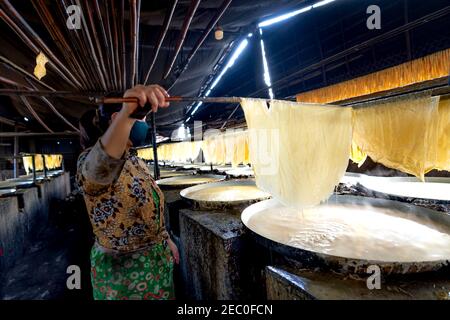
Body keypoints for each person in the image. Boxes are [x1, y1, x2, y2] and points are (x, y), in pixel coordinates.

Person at [76, 85, 179, 300]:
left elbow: (150, 205)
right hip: (122, 277)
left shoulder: (135, 160)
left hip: (155, 266)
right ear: (116, 118)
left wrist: (164, 238)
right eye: (140, 120)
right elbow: (99, 170)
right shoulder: (88, 160)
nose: (143, 125)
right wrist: (127, 115)